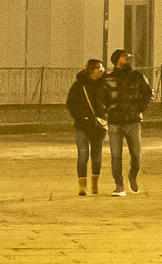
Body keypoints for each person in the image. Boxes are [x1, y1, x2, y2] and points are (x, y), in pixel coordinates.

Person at [105, 46, 153, 195]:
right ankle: (119, 185)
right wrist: (108, 109)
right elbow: (102, 97)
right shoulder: (108, 79)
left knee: (136, 154)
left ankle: (133, 176)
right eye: (124, 56)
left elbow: (148, 94)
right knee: (116, 156)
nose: (128, 58)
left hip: (133, 120)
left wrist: (140, 108)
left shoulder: (137, 77)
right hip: (114, 121)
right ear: (116, 60)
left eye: (129, 56)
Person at [64, 56, 108, 197]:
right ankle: (82, 186)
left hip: (98, 126)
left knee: (96, 156)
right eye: (98, 68)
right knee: (83, 155)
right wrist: (80, 117)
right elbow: (70, 104)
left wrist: (105, 112)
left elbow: (110, 101)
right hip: (82, 125)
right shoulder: (79, 85)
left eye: (102, 68)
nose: (101, 71)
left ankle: (95, 182)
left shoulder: (104, 85)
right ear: (91, 70)